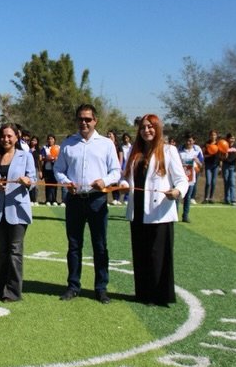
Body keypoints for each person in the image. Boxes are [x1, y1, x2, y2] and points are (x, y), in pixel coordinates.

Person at [54, 103, 121, 304]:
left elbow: (116, 171)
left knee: (100, 246)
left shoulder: (106, 144)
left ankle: (101, 288)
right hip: (74, 200)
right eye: (80, 119)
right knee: (74, 245)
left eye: (88, 119)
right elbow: (58, 170)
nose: (84, 123)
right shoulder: (68, 143)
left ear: (95, 121)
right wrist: (66, 183)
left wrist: (105, 181)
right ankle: (73, 286)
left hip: (97, 200)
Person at [119, 114, 188, 306]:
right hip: (138, 211)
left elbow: (182, 179)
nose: (146, 130)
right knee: (140, 253)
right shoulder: (135, 152)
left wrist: (177, 191)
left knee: (158, 255)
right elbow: (126, 177)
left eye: (150, 127)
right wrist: (124, 184)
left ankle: (160, 295)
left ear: (157, 129)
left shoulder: (169, 150)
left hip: (159, 211)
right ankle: (143, 293)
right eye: (143, 128)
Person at [0, 124, 36, 302]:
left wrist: (27, 181)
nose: (6, 139)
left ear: (17, 137)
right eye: (3, 136)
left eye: (10, 136)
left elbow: (33, 180)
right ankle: (0, 287)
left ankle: (12, 291)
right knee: (2, 252)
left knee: (15, 251)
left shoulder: (25, 156)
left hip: (18, 209)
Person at [178, 133, 202, 222]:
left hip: (191, 178)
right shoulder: (179, 150)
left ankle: (185, 215)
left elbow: (201, 164)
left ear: (194, 141)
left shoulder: (197, 150)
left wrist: (197, 161)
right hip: (180, 177)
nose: (188, 142)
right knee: (177, 196)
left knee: (187, 197)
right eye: (187, 140)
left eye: (190, 141)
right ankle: (175, 215)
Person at [202, 130, 220, 203]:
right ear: (209, 136)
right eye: (212, 135)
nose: (213, 136)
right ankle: (205, 198)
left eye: (214, 135)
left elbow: (221, 155)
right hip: (208, 165)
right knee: (208, 182)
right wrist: (209, 155)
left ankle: (211, 198)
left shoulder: (219, 144)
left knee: (213, 182)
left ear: (216, 136)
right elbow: (203, 155)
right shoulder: (206, 144)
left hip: (216, 165)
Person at [221, 133, 236, 205]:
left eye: (233, 138)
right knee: (226, 182)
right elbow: (221, 157)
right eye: (231, 138)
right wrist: (225, 156)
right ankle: (227, 199)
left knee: (232, 182)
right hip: (225, 165)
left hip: (233, 166)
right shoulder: (224, 145)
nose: (232, 140)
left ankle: (233, 199)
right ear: (227, 139)